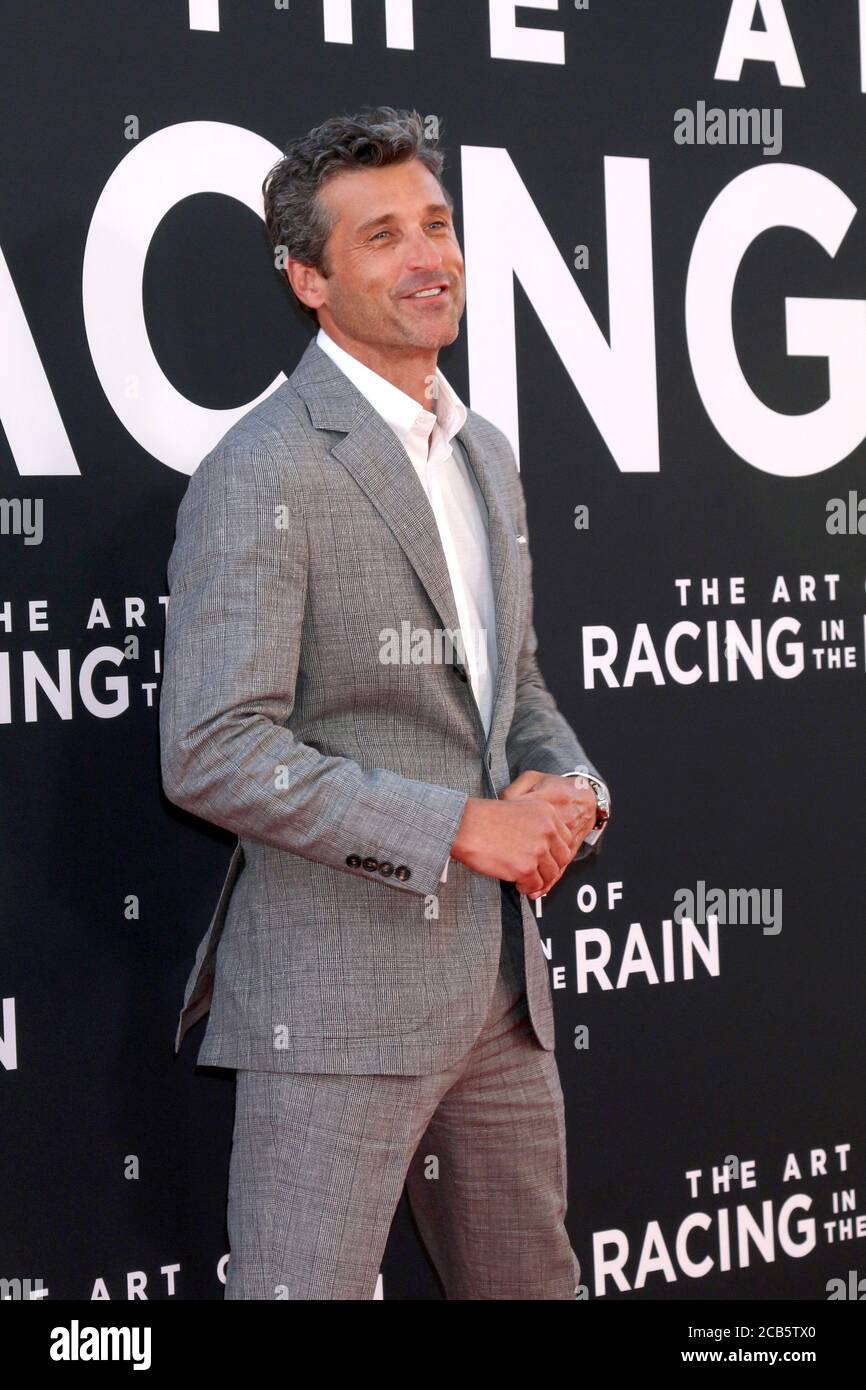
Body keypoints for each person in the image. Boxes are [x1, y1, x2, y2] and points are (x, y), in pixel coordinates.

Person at [159, 106, 611, 1300]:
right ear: (307, 278)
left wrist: (570, 786)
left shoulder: (485, 453)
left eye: (436, 223)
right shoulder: (264, 471)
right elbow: (209, 749)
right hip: (334, 1006)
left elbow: (512, 690)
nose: (428, 257)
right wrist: (457, 825)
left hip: (501, 997)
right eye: (380, 237)